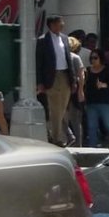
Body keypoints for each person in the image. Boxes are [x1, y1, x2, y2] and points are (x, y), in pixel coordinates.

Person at [36, 14, 74, 146]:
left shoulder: (64, 38)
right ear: (51, 25)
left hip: (65, 76)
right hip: (52, 78)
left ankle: (56, 135)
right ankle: (57, 138)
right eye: (59, 23)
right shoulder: (42, 40)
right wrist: (40, 82)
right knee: (55, 109)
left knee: (62, 108)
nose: (62, 25)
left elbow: (68, 59)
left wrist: (72, 79)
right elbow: (39, 62)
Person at [83, 48, 109, 148]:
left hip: (105, 102)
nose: (93, 60)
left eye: (95, 58)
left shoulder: (107, 70)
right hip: (91, 102)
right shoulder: (87, 71)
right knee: (91, 126)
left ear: (101, 58)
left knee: (108, 125)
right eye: (92, 58)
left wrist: (103, 85)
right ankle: (92, 147)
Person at [65, 34, 86, 147]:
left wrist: (80, 91)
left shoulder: (74, 57)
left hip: (72, 89)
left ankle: (76, 142)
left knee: (73, 118)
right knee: (73, 119)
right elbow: (82, 75)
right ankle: (74, 141)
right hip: (69, 89)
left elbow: (81, 75)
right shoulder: (73, 57)